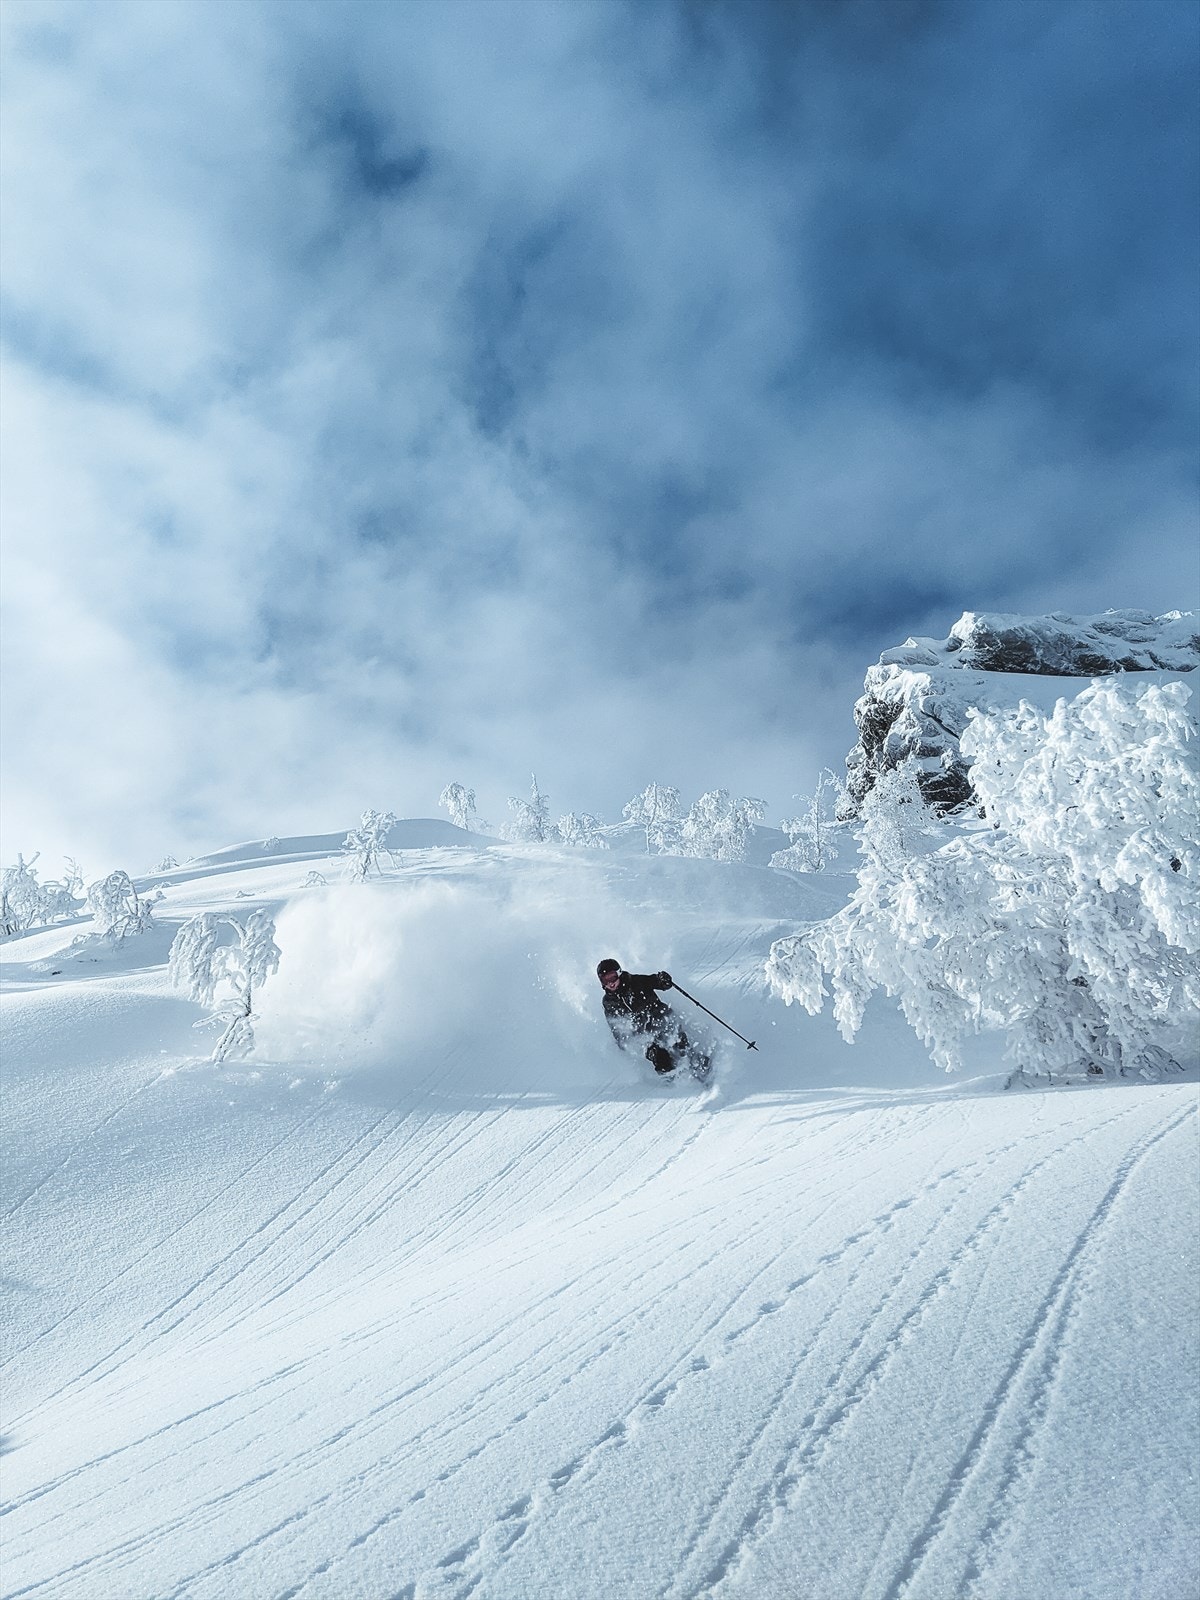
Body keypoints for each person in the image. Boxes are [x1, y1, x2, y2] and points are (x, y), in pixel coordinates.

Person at [596, 958, 710, 1078]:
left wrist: (663, 980)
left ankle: (695, 1060)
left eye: (612, 977)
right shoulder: (608, 1002)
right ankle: (676, 1082)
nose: (610, 983)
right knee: (661, 1061)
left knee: (678, 1044)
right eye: (605, 980)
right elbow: (614, 1024)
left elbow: (656, 982)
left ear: (619, 973)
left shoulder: (635, 981)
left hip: (661, 1018)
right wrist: (621, 1040)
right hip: (643, 1033)